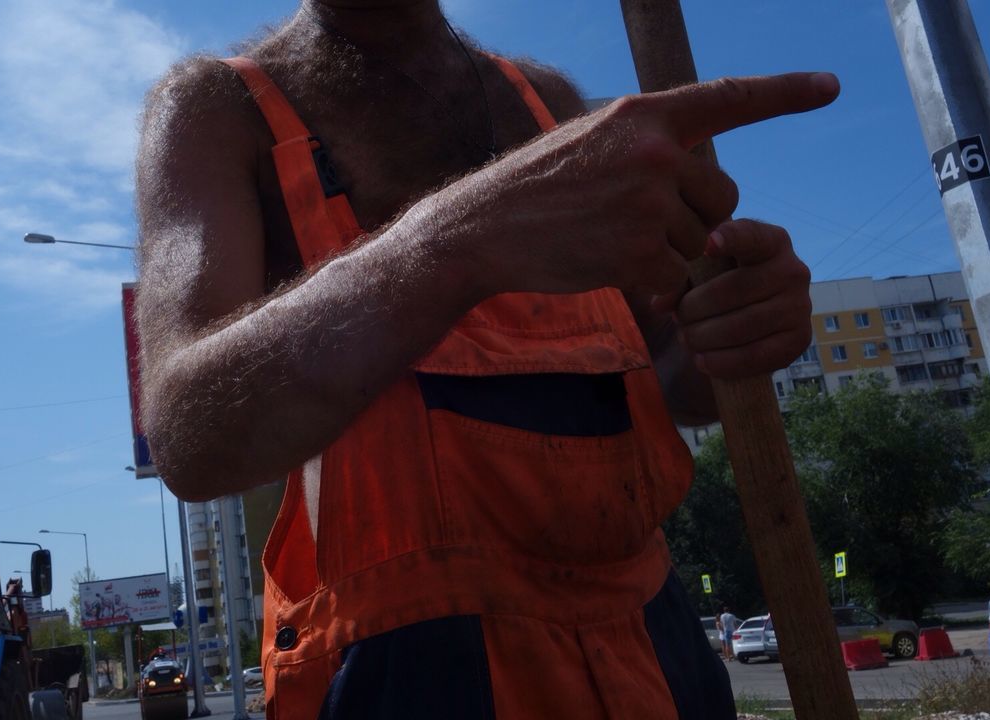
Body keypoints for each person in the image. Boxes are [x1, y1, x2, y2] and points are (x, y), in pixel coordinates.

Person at [136, 1, 838, 716]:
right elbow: (191, 437)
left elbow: (669, 383)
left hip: (652, 653)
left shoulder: (547, 105)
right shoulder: (221, 109)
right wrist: (459, 240)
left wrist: (733, 328)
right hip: (406, 673)